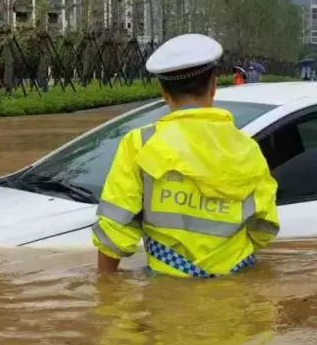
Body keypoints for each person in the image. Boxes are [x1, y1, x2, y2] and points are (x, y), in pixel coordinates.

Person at [93, 33, 280, 278]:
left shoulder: (141, 144)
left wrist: (105, 290)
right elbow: (264, 228)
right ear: (214, 86)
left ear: (163, 91)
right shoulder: (247, 148)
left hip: (168, 296)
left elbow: (114, 232)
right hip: (236, 290)